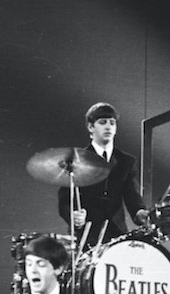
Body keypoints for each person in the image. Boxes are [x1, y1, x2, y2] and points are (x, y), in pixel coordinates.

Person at [58, 101, 150, 248]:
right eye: (102, 122)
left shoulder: (126, 161)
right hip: (86, 236)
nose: (108, 126)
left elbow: (132, 194)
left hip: (117, 234)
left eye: (112, 123)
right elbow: (64, 201)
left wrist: (139, 212)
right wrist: (73, 216)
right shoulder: (75, 160)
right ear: (90, 127)